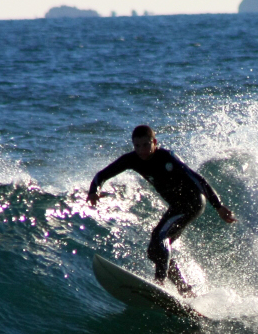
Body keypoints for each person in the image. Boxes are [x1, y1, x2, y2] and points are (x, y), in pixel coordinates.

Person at [87, 125, 235, 296]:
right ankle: (184, 288)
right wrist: (94, 191)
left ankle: (160, 283)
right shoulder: (132, 159)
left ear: (154, 142)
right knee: (153, 251)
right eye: (137, 146)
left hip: (192, 202)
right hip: (177, 206)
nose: (141, 150)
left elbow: (198, 178)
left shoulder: (167, 157)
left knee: (161, 237)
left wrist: (218, 206)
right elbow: (102, 175)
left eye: (146, 144)